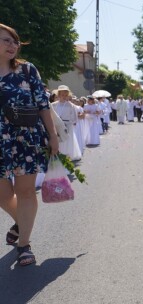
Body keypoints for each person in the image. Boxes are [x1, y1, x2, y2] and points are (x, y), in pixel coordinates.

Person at [0, 23, 59, 266]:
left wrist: (53, 135)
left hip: (26, 139)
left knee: (25, 192)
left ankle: (24, 245)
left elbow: (43, 104)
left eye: (15, 41)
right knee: (3, 196)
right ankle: (21, 222)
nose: (13, 45)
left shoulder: (27, 70)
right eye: (6, 41)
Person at [51, 85, 82, 160]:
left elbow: (74, 118)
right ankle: (58, 155)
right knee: (59, 141)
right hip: (57, 126)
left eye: (66, 95)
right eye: (62, 95)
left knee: (66, 142)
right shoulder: (53, 105)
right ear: (58, 95)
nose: (64, 97)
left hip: (67, 126)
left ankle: (66, 156)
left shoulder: (71, 105)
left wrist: (68, 122)